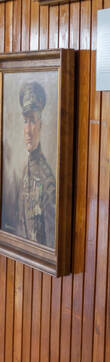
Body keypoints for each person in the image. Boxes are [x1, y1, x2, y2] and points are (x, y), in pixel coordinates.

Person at [1, 82, 56, 247]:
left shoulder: (47, 182)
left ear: (41, 125)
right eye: (25, 121)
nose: (28, 129)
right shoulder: (24, 171)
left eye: (32, 121)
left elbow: (51, 243)